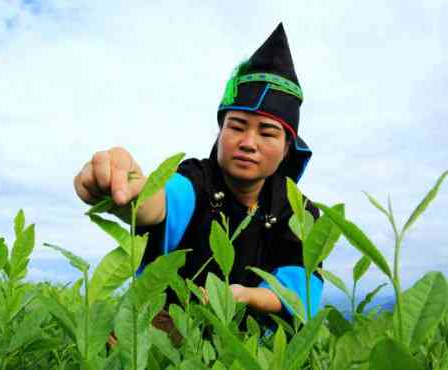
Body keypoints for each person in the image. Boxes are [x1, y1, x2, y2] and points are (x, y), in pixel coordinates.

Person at [74, 23, 323, 333]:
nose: (248, 142)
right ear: (220, 134)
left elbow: (303, 289)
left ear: (287, 148)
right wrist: (124, 188)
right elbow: (161, 202)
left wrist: (243, 297)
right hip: (160, 344)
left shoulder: (297, 211)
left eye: (267, 132)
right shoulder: (197, 180)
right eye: (236, 126)